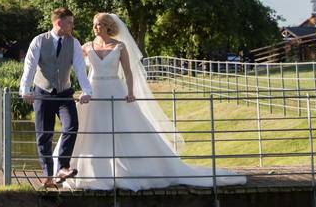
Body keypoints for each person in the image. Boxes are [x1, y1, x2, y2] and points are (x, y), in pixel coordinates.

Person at [64, 12, 247, 191]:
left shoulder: (119, 47)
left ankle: (128, 171)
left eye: (99, 24)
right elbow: (75, 64)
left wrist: (130, 92)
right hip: (94, 93)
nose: (95, 28)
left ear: (108, 26)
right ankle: (87, 171)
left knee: (122, 130)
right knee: (91, 131)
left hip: (115, 91)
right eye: (94, 24)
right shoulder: (87, 47)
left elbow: (128, 72)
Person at [19, 7, 92, 188]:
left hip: (65, 93)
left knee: (71, 126)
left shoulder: (73, 42)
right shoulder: (39, 41)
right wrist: (25, 90)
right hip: (42, 92)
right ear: (59, 22)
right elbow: (29, 66)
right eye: (70, 22)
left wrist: (87, 90)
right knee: (44, 134)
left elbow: (80, 68)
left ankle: (62, 167)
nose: (72, 26)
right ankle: (47, 176)